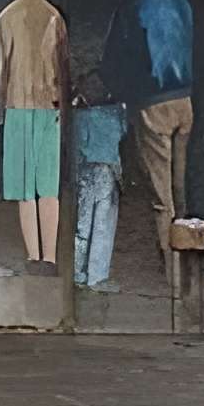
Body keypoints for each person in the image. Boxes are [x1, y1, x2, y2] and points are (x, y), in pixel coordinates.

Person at [0, 0, 69, 272]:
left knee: (24, 188)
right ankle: (50, 257)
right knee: (48, 186)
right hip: (49, 106)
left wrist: (0, 113)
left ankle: (33, 256)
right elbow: (63, 69)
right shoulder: (54, 16)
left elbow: (1, 71)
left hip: (17, 106)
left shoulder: (5, 17)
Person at [119, 0, 198, 228]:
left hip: (153, 102)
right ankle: (184, 240)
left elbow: (124, 57)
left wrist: (125, 95)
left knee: (160, 189)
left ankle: (166, 251)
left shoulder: (136, 3)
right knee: (179, 181)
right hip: (184, 99)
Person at [69, 83, 129, 290]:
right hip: (107, 168)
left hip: (84, 168)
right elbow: (124, 134)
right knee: (103, 223)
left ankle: (77, 272)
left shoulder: (79, 116)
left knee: (82, 221)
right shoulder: (117, 113)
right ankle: (97, 276)